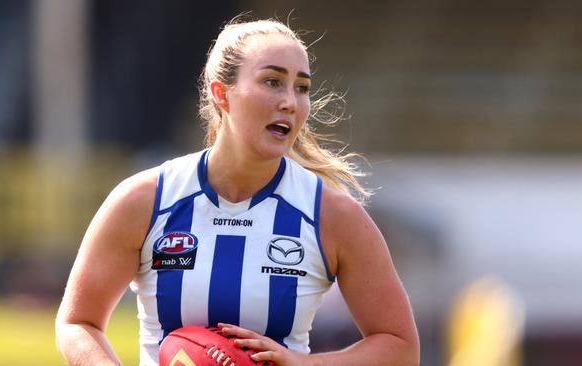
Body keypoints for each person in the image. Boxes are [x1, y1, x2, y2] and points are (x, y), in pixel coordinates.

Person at [56, 16, 420, 366]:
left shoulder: (332, 215)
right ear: (222, 94)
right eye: (272, 81)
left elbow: (399, 347)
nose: (290, 102)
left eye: (302, 87)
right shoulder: (146, 200)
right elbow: (77, 323)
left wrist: (304, 364)